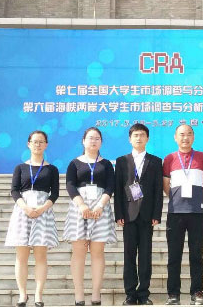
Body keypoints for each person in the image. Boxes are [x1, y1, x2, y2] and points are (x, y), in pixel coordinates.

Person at [5, 130, 60, 307]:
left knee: (40, 256)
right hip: (23, 211)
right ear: (28, 144)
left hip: (43, 212)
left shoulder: (52, 169)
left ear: (46, 145)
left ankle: (38, 295)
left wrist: (42, 208)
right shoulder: (20, 168)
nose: (38, 145)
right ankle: (22, 294)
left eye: (41, 142)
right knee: (21, 256)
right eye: (35, 141)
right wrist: (26, 208)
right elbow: (14, 190)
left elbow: (55, 193)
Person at [64, 127, 117, 306]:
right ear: (83, 141)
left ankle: (96, 294)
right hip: (79, 208)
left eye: (97, 138)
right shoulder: (74, 163)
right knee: (79, 252)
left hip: (101, 208)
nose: (93, 141)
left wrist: (100, 205)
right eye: (90, 138)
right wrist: (81, 205)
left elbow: (110, 186)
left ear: (101, 142)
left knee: (97, 252)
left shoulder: (106, 164)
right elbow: (70, 185)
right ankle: (79, 294)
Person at [114, 123, 164, 305]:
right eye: (135, 135)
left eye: (142, 135)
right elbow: (118, 189)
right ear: (130, 139)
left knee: (145, 256)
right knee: (129, 256)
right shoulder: (122, 161)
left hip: (147, 215)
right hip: (128, 215)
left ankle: (143, 293)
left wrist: (156, 214)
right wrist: (118, 213)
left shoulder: (155, 161)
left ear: (147, 138)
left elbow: (158, 189)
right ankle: (130, 294)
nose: (139, 138)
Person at [162, 124, 203, 306]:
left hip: (196, 212)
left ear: (194, 137)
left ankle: (197, 292)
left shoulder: (202, 157)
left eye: (189, 134)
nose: (185, 138)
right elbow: (166, 184)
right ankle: (173, 294)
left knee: (196, 255)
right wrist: (177, 199)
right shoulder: (169, 158)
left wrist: (196, 199)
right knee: (174, 255)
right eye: (182, 134)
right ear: (175, 137)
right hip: (175, 212)